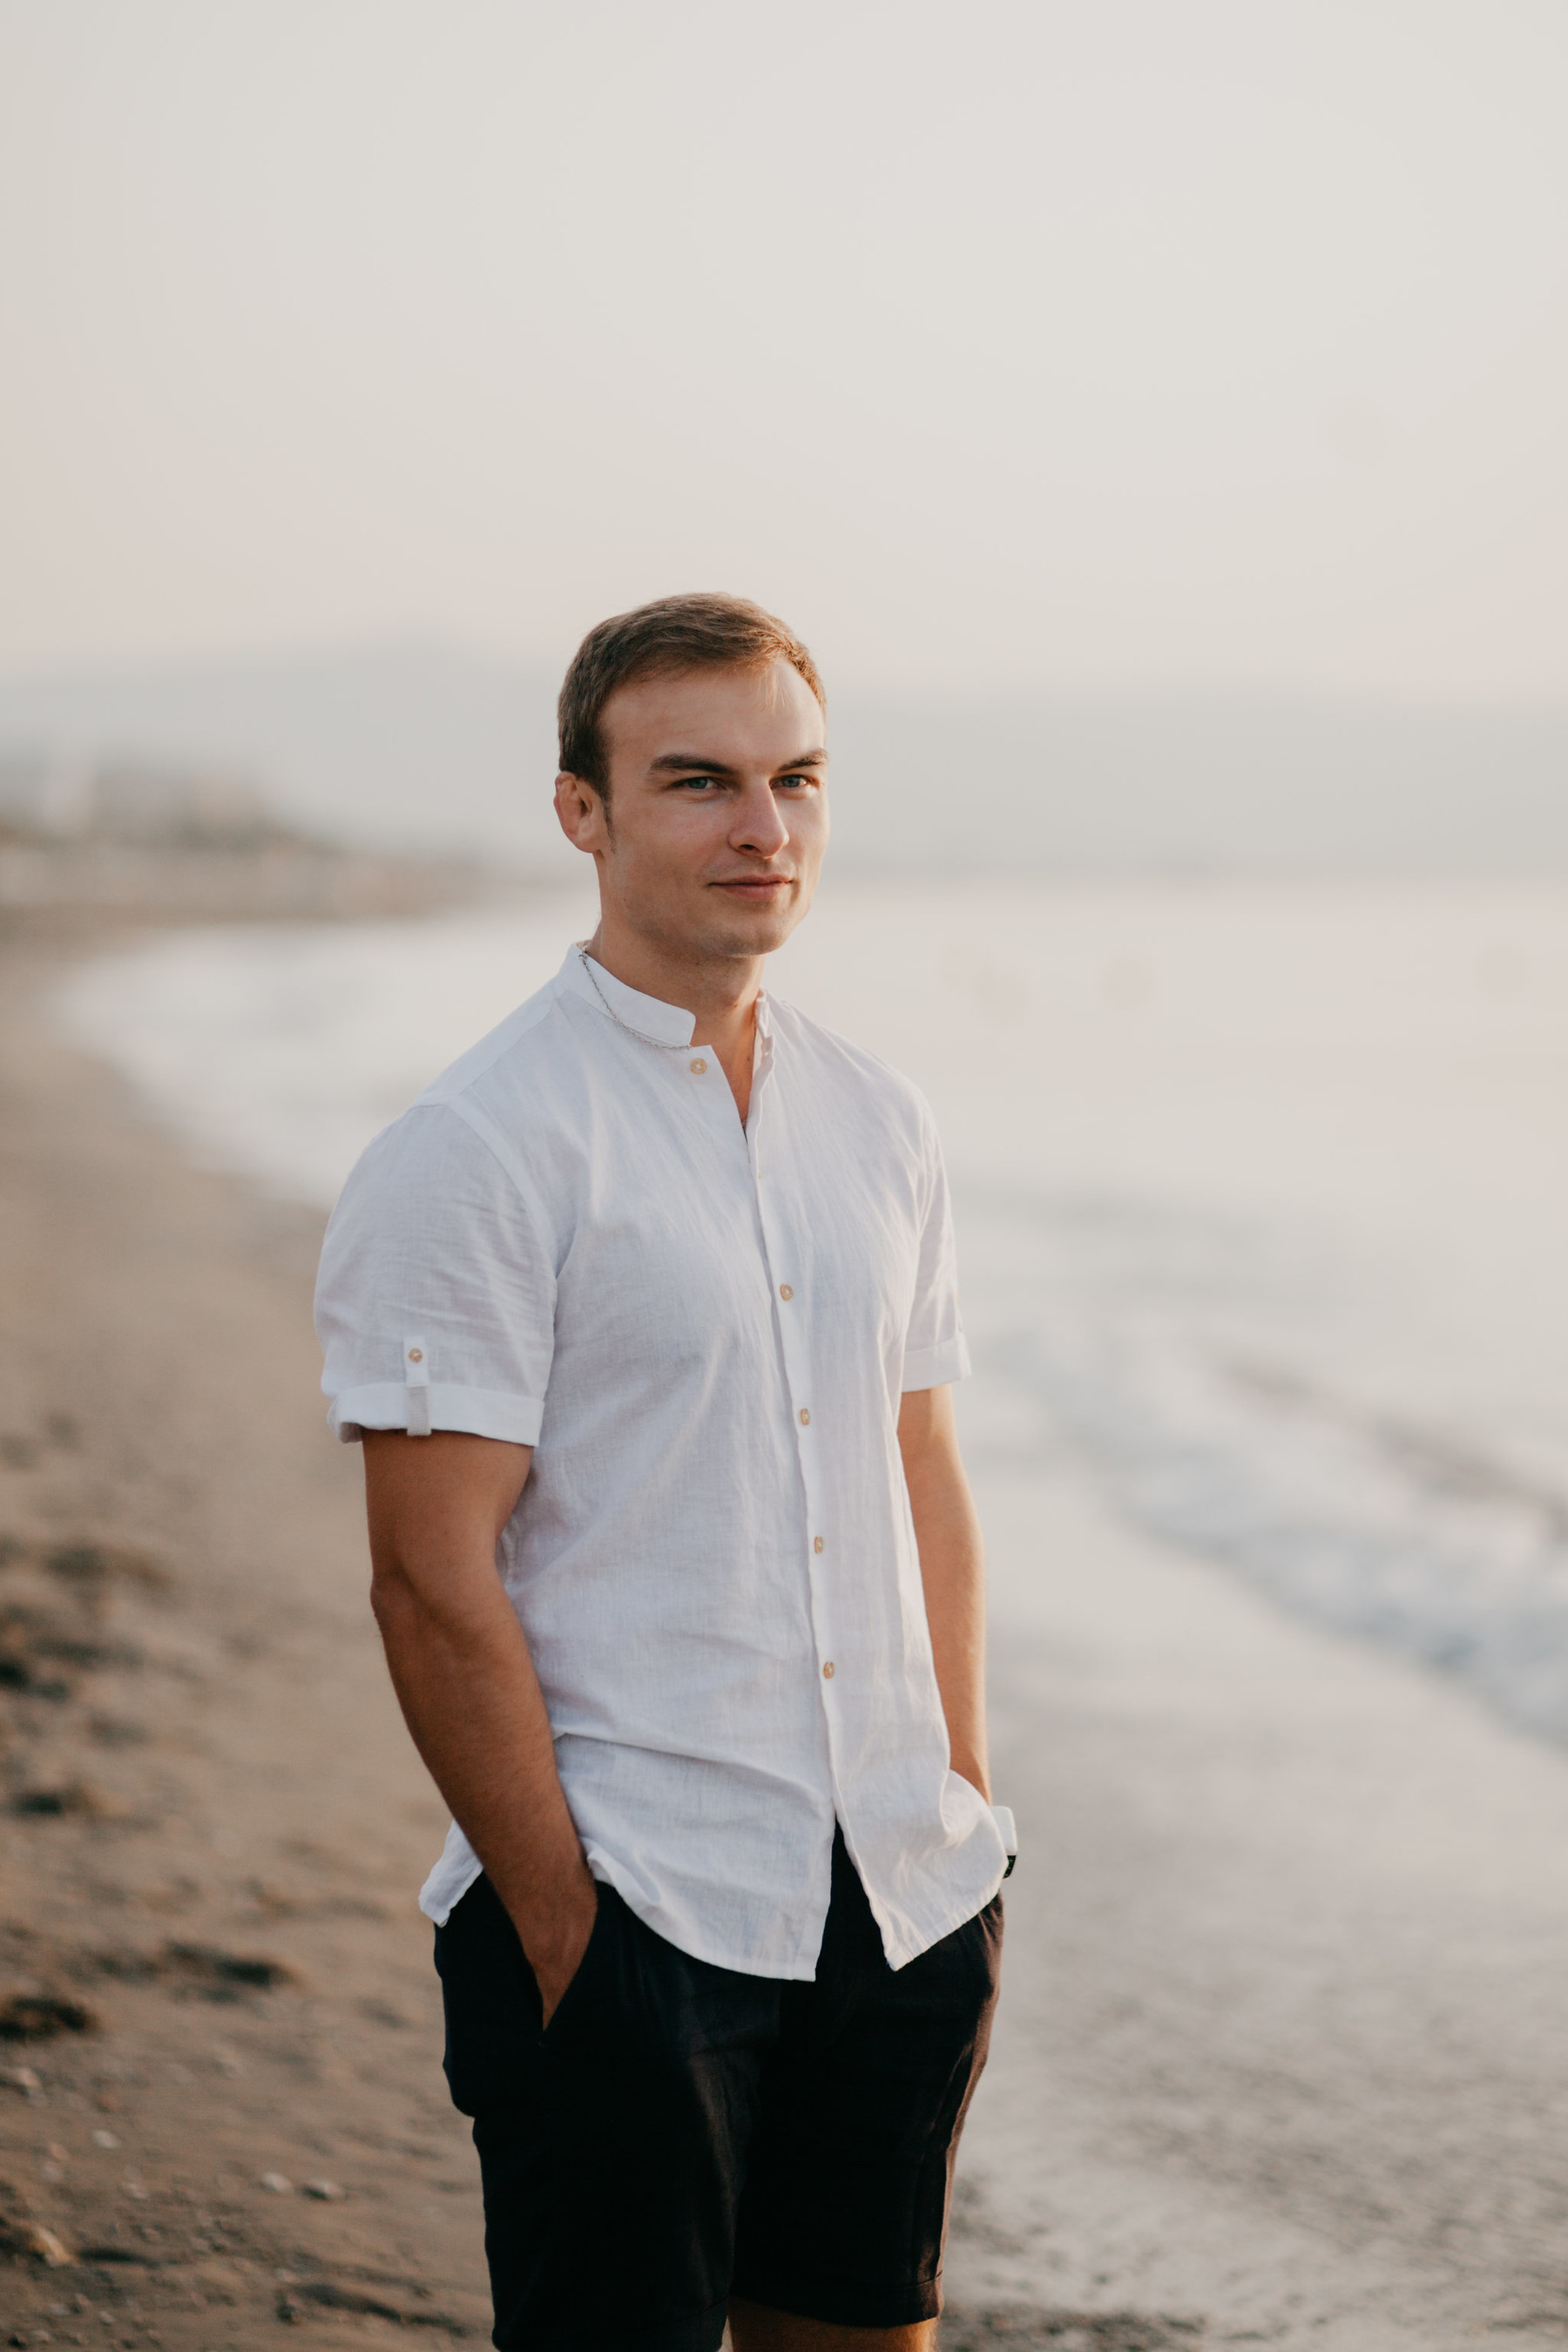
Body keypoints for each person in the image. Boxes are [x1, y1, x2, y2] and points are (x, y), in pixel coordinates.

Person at [314, 593, 1015, 2352]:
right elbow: (427, 1576)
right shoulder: (476, 1148)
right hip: (639, 1905)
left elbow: (923, 1466)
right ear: (583, 810)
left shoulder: (887, 1122)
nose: (761, 831)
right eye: (698, 781)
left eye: (796, 781)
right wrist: (566, 1934)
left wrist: (965, 1813)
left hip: (896, 1892)